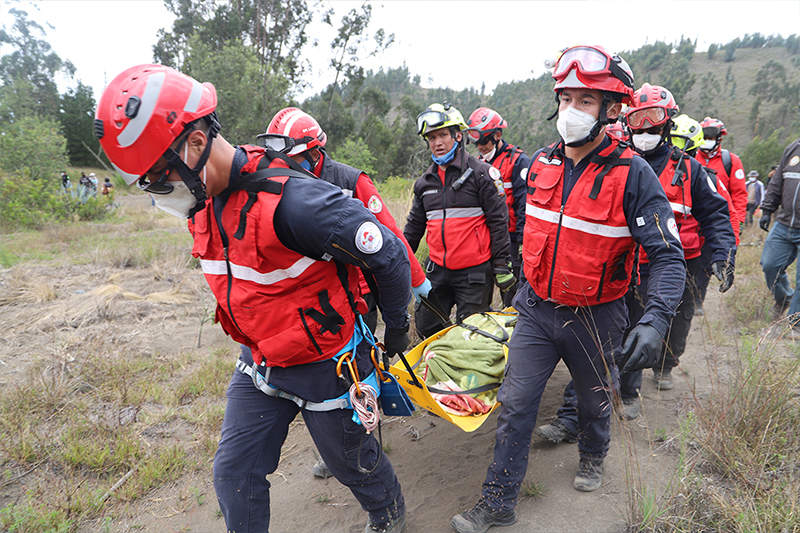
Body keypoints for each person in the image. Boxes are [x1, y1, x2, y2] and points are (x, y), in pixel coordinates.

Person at [94, 64, 411, 533]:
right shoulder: (204, 199)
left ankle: (387, 513)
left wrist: (397, 329)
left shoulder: (297, 204)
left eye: (159, 179)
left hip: (326, 362)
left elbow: (389, 255)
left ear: (196, 145)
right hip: (260, 361)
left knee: (351, 463)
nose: (159, 195)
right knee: (234, 474)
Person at [451, 45, 686, 533]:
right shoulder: (540, 164)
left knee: (596, 398)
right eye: (565, 99)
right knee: (515, 406)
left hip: (597, 316)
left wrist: (656, 316)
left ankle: (594, 455)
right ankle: (498, 502)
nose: (571, 111)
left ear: (612, 109)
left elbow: (667, 255)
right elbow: (523, 231)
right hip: (537, 310)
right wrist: (514, 282)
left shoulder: (634, 175)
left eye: (585, 100)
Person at [258, 106, 430, 481]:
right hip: (314, 305)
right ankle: (340, 449)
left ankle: (359, 452)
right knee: (324, 386)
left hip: (360, 298)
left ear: (315, 153)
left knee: (355, 380)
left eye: (295, 159)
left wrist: (414, 285)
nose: (286, 167)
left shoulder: (351, 182)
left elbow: (392, 240)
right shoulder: (280, 187)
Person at [403, 102, 512, 339]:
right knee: (427, 328)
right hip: (437, 272)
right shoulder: (425, 183)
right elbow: (413, 228)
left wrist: (502, 264)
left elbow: (498, 221)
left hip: (474, 273)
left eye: (443, 135)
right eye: (431, 138)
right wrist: (400, 261)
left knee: (472, 336)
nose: (437, 143)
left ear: (458, 136)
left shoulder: (482, 173)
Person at [465, 107, 530, 307]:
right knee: (480, 301)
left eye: (484, 141)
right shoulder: (475, 165)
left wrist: (521, 243)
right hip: (484, 242)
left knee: (512, 299)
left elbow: (523, 205)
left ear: (497, 135)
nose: (480, 147)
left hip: (510, 241)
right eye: (476, 143)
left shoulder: (517, 161)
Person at [693, 117, 746, 309]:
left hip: (719, 219)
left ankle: (698, 298)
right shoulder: (693, 158)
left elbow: (739, 195)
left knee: (708, 261)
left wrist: (737, 223)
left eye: (711, 135)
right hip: (694, 220)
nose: (708, 138)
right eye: (705, 135)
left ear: (719, 137)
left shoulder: (731, 161)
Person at [759, 136, 800, 325]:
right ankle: (784, 298)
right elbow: (777, 182)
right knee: (769, 265)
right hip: (784, 223)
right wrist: (767, 209)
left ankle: (795, 323)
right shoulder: (793, 148)